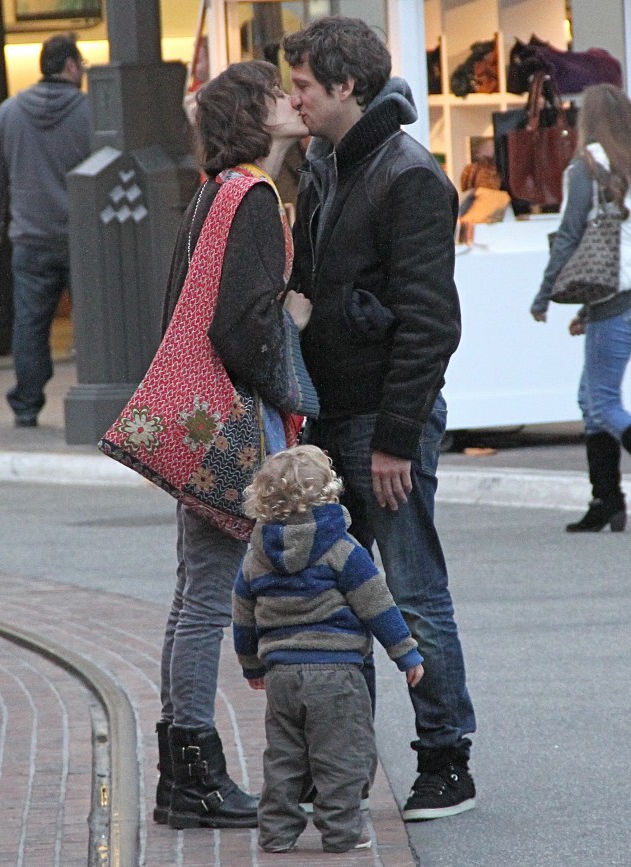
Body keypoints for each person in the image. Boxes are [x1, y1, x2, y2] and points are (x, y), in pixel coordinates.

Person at [282, 16, 477, 821]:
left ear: (345, 88)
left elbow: (432, 323)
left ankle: (446, 758)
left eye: (302, 85)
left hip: (382, 422)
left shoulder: (409, 176)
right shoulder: (322, 167)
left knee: (413, 591)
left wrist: (398, 437)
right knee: (334, 597)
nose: (293, 98)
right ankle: (346, 768)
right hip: (331, 420)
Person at [154, 60, 319, 831]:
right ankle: (194, 774)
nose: (293, 98)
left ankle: (182, 771)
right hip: (231, 430)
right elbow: (238, 327)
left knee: (195, 595)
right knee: (206, 600)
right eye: (276, 92)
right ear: (253, 115)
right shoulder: (250, 197)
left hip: (200, 425)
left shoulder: (214, 197)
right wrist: (294, 323)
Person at [232, 445, 424, 853]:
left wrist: (252, 667)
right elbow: (377, 603)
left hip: (282, 675)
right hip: (337, 673)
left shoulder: (256, 558)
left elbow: (243, 619)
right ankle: (340, 834)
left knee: (284, 758)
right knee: (341, 756)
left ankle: (277, 834)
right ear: (329, 494)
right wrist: (405, 652)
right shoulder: (343, 549)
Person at [531, 83, 631, 533]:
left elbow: (571, 238)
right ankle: (606, 501)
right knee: (588, 400)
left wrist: (544, 293)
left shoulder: (586, 167)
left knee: (602, 402)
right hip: (613, 298)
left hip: (612, 298)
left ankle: (606, 500)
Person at [0, 33, 90, 427]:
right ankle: (95, 397)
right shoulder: (90, 112)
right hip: (82, 238)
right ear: (72, 66)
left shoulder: (9, 113)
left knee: (30, 325)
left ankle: (26, 406)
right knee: (91, 323)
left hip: (30, 237)